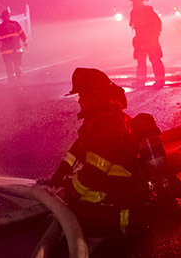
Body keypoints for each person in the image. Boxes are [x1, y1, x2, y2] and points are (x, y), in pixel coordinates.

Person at [49, 67, 139, 236]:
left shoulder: (106, 124)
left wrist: (71, 192)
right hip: (113, 197)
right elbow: (79, 148)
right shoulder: (99, 120)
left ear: (95, 95)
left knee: (73, 213)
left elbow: (95, 171)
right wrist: (61, 173)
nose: (80, 101)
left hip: (117, 208)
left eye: (81, 96)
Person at [129, 0, 165, 88]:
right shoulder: (133, 12)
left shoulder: (148, 11)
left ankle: (159, 81)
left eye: (135, 1)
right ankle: (140, 81)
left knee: (155, 60)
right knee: (141, 62)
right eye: (133, 2)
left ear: (141, 1)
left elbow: (158, 23)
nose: (134, 3)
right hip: (140, 41)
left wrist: (154, 36)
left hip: (150, 40)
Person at [0, 9, 27, 82]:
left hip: (6, 50)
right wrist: (25, 42)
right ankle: (18, 74)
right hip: (17, 48)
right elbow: (22, 34)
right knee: (17, 63)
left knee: (8, 65)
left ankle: (11, 78)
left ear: (2, 18)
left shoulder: (0, 27)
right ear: (9, 16)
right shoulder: (15, 24)